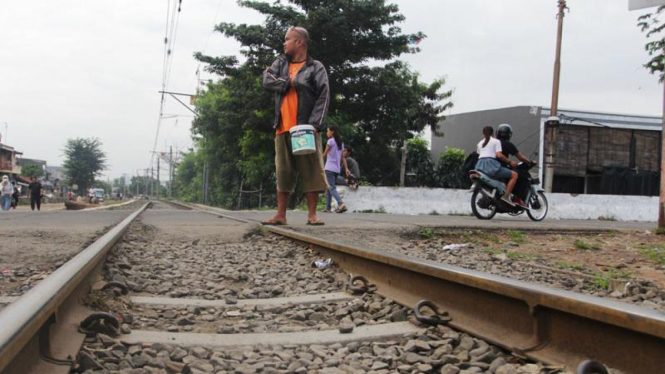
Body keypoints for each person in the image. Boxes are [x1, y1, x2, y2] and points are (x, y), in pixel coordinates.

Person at [262, 26, 330, 226]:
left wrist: (315, 124)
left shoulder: (315, 67)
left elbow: (324, 96)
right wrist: (288, 82)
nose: (284, 43)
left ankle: (312, 215)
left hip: (305, 129)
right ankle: (280, 215)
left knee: (311, 170)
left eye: (288, 39)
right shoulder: (280, 64)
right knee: (283, 171)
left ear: (300, 42)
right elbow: (266, 81)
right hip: (283, 128)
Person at [495, 124, 537, 208]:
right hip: (500, 167)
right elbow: (520, 157)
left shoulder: (493, 142)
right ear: (509, 134)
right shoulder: (508, 144)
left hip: (491, 167)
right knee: (521, 177)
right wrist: (530, 162)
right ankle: (514, 198)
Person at [474, 126, 517, 206]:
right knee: (514, 175)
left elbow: (480, 155)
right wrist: (510, 162)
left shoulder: (479, 143)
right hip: (491, 165)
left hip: (479, 165)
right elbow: (499, 155)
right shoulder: (496, 141)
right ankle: (506, 197)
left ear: (483, 134)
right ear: (493, 133)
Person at [322, 125, 349, 213]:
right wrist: (346, 169)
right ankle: (328, 208)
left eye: (328, 131)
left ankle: (341, 204)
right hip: (337, 169)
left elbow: (325, 154)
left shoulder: (330, 141)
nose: (327, 133)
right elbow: (343, 158)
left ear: (332, 131)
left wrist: (318, 161)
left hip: (329, 168)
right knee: (329, 188)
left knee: (331, 187)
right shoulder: (340, 143)